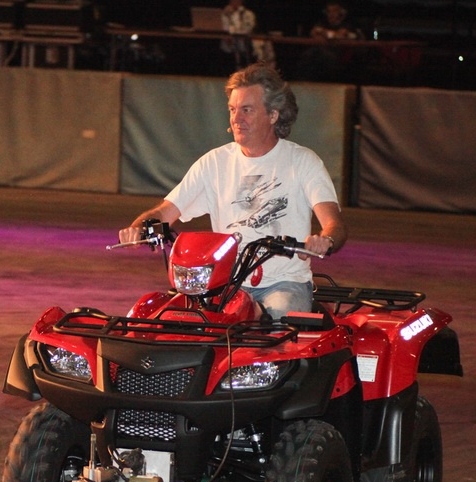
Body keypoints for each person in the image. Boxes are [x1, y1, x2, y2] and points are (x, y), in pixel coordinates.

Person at [119, 62, 347, 318]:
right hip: (223, 285)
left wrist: (323, 240)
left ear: (273, 115)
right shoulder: (214, 163)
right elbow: (165, 211)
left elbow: (334, 225)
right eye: (232, 109)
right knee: (165, 320)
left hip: (283, 283)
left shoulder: (303, 162)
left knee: (275, 330)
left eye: (247, 110)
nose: (236, 119)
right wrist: (139, 228)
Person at [220, 0, 276, 70]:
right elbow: (225, 28)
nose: (235, 2)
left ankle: (267, 69)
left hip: (246, 38)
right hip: (232, 40)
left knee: (265, 44)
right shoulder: (225, 14)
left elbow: (249, 28)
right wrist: (228, 16)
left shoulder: (248, 14)